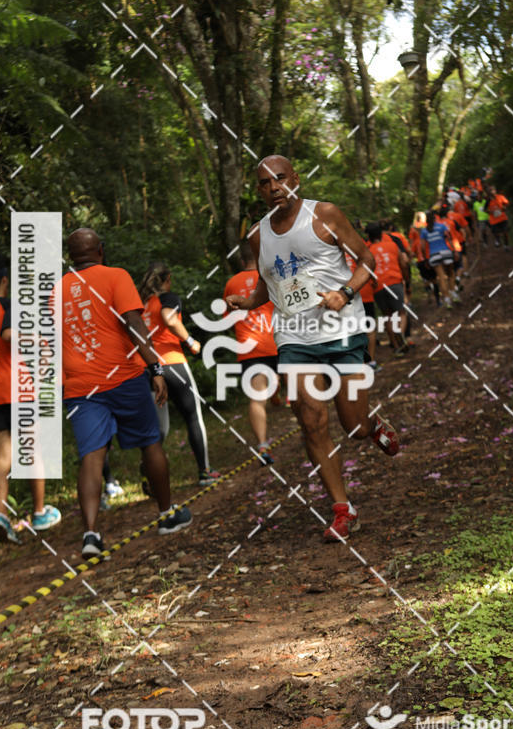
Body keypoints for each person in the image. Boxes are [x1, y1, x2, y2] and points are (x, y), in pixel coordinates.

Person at [225, 155, 399, 543]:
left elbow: (367, 260)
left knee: (352, 426)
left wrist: (346, 292)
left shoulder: (324, 214)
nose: (274, 188)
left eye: (280, 179)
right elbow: (267, 286)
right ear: (259, 190)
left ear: (295, 180)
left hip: (342, 328)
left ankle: (370, 427)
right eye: (265, 183)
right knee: (311, 419)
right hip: (293, 338)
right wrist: (248, 303)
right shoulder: (257, 235)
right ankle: (342, 508)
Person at [61, 230, 192, 558]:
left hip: (79, 385)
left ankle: (91, 534)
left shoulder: (56, 289)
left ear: (70, 256)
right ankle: (166, 515)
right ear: (101, 250)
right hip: (124, 377)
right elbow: (133, 322)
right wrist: (156, 368)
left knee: (92, 455)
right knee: (150, 443)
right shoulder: (115, 276)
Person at [0, 259, 61, 544]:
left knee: (3, 456)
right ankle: (39, 513)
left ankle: (1, 516)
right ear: (5, 280)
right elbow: (9, 335)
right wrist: (40, 341)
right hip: (18, 388)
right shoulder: (8, 306)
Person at [139, 262, 220, 487]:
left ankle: (149, 474)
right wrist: (191, 341)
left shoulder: (141, 304)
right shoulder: (168, 298)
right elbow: (169, 318)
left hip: (147, 367)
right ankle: (205, 471)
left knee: (159, 427)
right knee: (193, 416)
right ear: (167, 280)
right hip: (173, 364)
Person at [223, 241, 279, 465]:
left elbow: (227, 318)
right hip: (276, 340)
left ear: (241, 260)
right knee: (298, 387)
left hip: (249, 347)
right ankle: (310, 432)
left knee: (257, 398)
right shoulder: (270, 276)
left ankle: (263, 446)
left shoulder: (231, 283)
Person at [366, 221, 410, 354]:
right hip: (394, 282)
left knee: (387, 316)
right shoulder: (392, 245)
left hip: (378, 286)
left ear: (369, 236)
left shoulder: (368, 251)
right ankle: (400, 334)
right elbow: (403, 263)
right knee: (401, 312)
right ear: (381, 233)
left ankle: (396, 347)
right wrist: (406, 280)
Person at [420, 210, 455, 308]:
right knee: (451, 273)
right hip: (445, 252)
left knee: (441, 277)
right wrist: (454, 251)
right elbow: (449, 238)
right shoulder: (442, 226)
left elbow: (422, 247)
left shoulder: (424, 231)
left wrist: (426, 259)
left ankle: (447, 299)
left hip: (434, 255)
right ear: (435, 217)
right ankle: (453, 292)